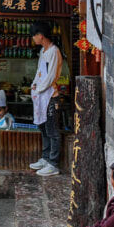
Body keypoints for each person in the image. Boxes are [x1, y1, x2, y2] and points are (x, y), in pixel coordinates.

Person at [28, 21, 63, 176]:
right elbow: (39, 72)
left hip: (51, 96)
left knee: (52, 130)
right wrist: (34, 85)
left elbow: (50, 76)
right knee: (43, 127)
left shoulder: (54, 52)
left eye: (34, 36)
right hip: (41, 95)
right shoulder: (43, 51)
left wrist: (40, 88)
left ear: (40, 36)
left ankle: (53, 163)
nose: (33, 39)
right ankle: (46, 157)